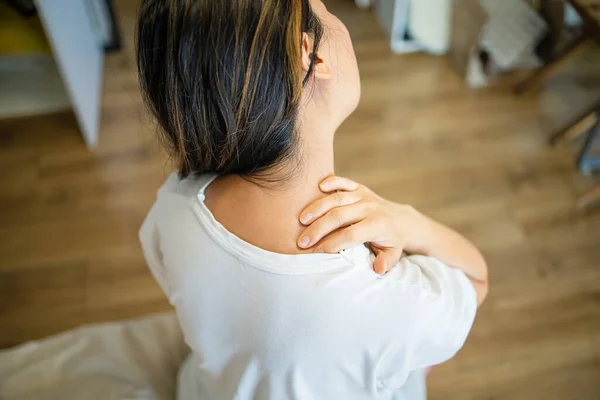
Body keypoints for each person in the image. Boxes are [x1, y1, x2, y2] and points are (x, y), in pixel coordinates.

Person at [136, 0, 489, 399]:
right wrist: (407, 220)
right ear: (312, 54)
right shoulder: (375, 297)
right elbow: (476, 280)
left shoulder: (177, 199)